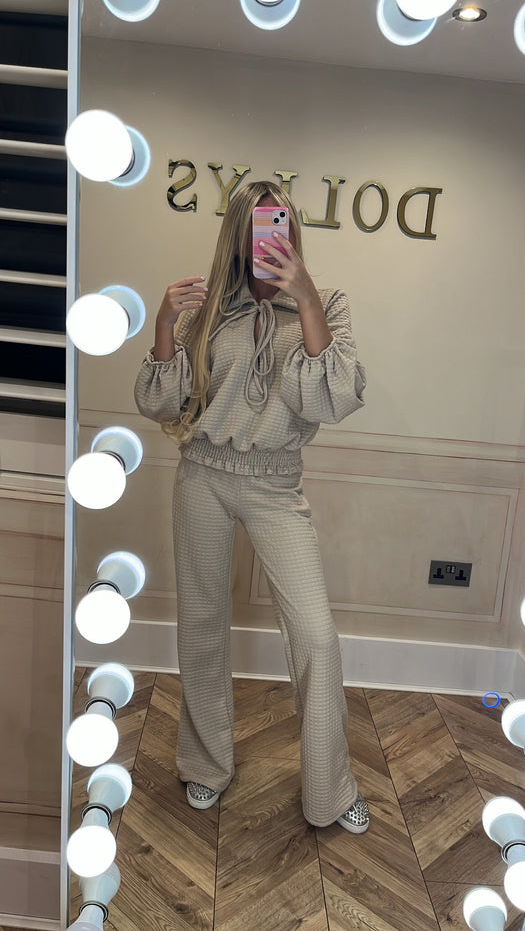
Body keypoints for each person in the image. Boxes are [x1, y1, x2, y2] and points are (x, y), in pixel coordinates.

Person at [134, 180, 369, 834]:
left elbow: (330, 400)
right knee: (203, 622)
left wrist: (306, 297)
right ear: (238, 233)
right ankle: (205, 765)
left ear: (292, 228)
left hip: (274, 482)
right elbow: (161, 402)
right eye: (259, 223)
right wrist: (164, 324)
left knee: (316, 635)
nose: (271, 233)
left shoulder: (326, 303)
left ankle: (328, 791)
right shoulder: (208, 307)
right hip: (203, 475)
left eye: (281, 220)